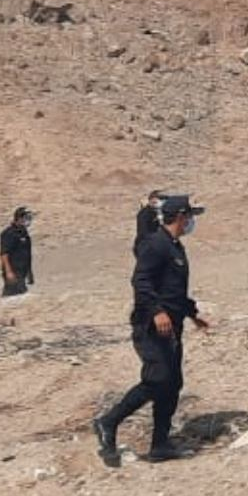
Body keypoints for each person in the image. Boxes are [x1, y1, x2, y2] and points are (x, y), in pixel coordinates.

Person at [94, 194, 209, 465]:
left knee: (172, 384)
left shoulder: (174, 246)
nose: (192, 221)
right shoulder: (156, 244)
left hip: (173, 325)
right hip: (150, 326)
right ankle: (108, 422)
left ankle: (160, 444)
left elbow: (174, 289)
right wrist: (157, 311)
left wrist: (192, 314)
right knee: (157, 379)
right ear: (180, 216)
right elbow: (141, 281)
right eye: (190, 215)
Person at [0, 206, 35, 297]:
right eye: (27, 218)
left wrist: (29, 272)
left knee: (17, 295)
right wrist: (8, 272)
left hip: (22, 271)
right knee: (13, 295)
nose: (29, 221)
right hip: (13, 271)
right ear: (19, 218)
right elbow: (4, 253)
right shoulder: (9, 233)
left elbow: (27, 254)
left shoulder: (24, 232)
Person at [134, 191, 163, 257]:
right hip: (146, 246)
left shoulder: (157, 212)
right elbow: (144, 232)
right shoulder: (145, 214)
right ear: (150, 200)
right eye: (155, 202)